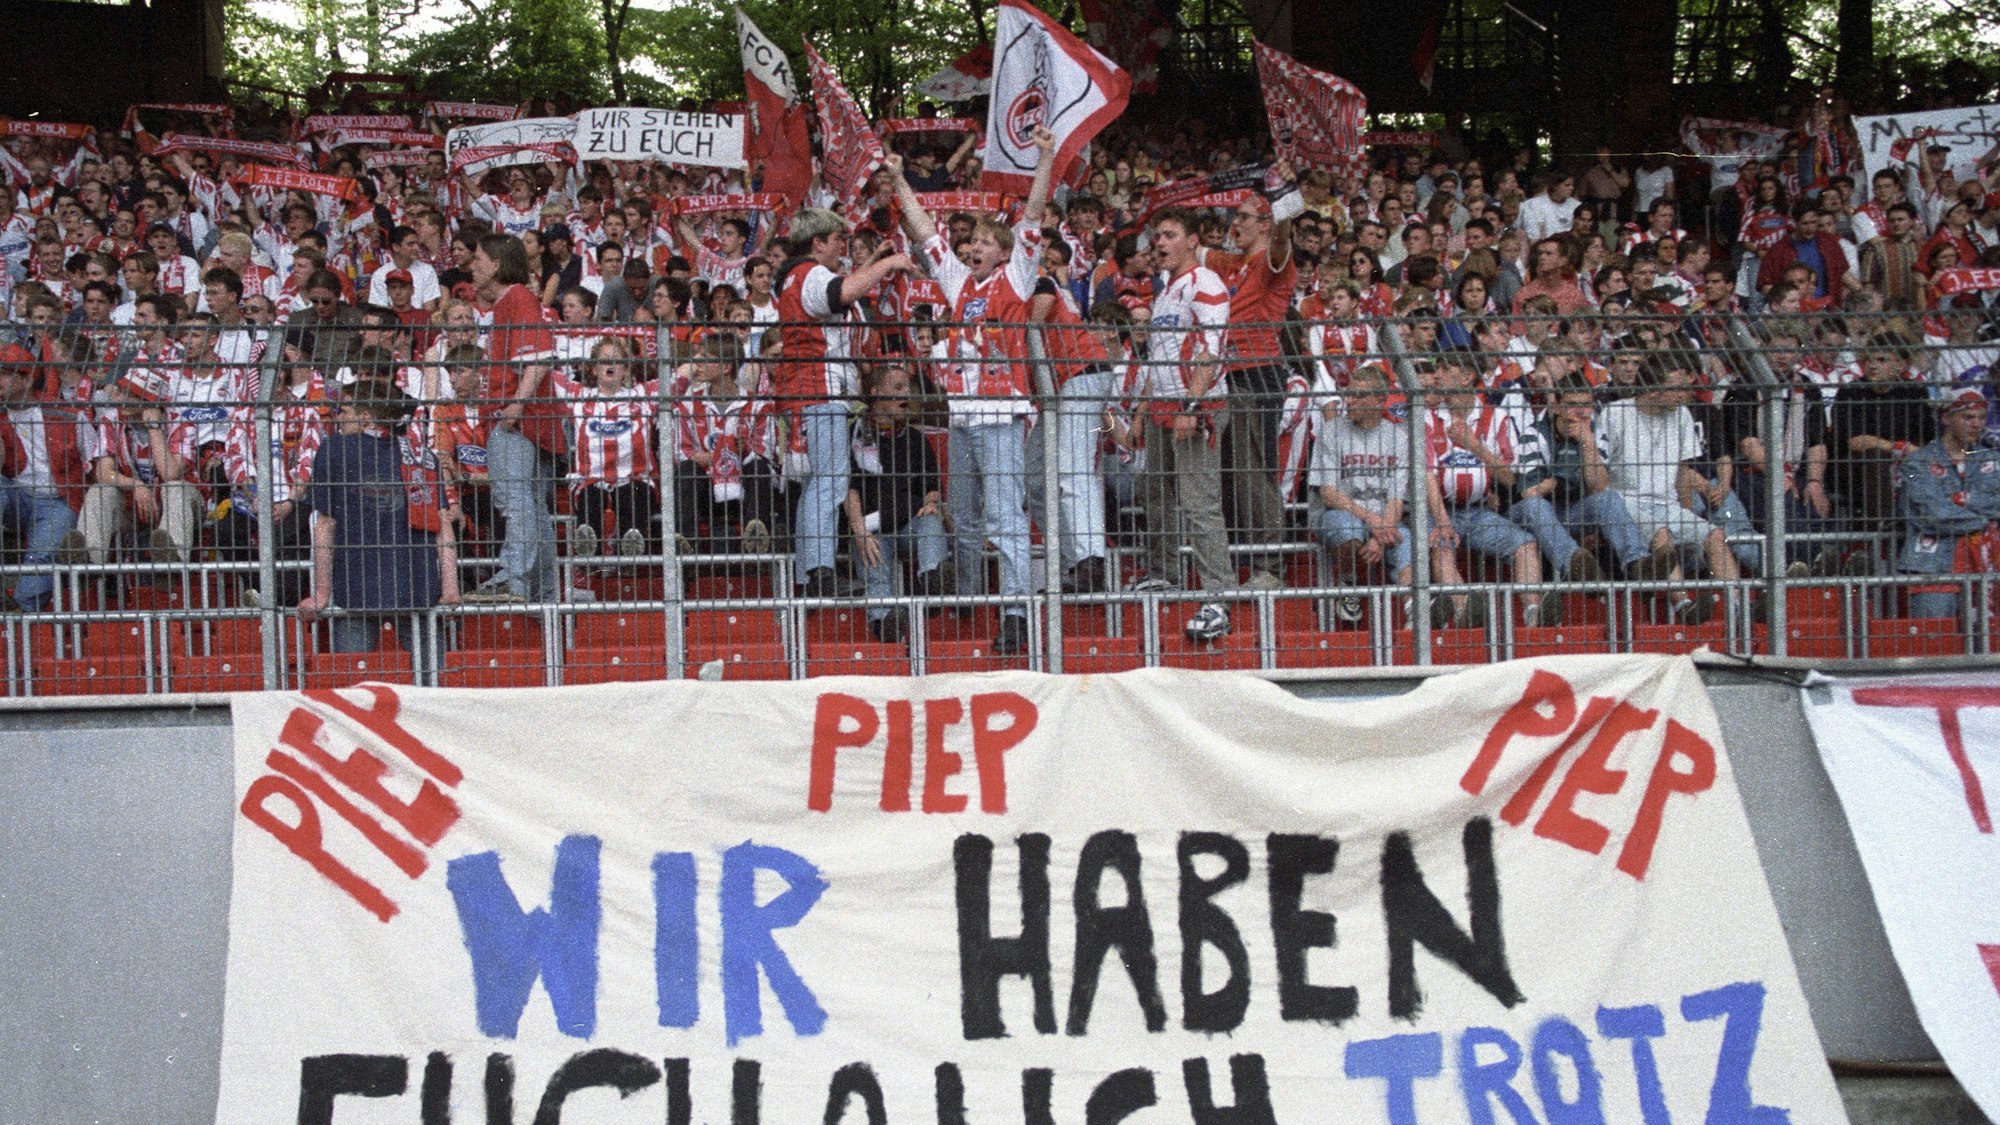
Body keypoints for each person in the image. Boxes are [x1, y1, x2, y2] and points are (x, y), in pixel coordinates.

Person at [773, 204, 912, 598]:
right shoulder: (810, 273)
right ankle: (818, 568)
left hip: (809, 391)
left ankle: (810, 571)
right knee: (830, 482)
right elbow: (840, 292)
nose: (843, 249)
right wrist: (890, 264)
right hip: (822, 389)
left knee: (821, 482)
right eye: (838, 241)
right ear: (817, 243)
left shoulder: (796, 277)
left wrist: (871, 262)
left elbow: (838, 288)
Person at [300, 381, 460, 675]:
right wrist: (450, 587)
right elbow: (443, 527)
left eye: (343, 409)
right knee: (434, 681)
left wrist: (321, 592)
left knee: (352, 685)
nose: (336, 416)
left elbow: (325, 524)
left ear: (365, 417)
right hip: (418, 586)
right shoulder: (421, 455)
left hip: (355, 586)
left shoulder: (333, 450)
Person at [1131, 206, 1239, 642]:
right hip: (1161, 405)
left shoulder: (1205, 283)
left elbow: (1212, 349)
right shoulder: (1166, 288)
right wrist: (1143, 409)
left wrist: (1191, 407)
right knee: (1154, 491)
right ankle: (1166, 574)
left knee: (1199, 501)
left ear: (1193, 240)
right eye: (1158, 235)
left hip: (1197, 407)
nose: (1160, 242)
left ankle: (1218, 595)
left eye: (1170, 234)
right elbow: (1159, 356)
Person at [1598, 352, 1742, 622]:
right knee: (1661, 535)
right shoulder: (1614, 413)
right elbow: (1600, 471)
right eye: (1676, 388)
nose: (1683, 394)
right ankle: (1684, 605)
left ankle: (1737, 607)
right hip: (1626, 502)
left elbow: (1682, 472)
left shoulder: (1682, 415)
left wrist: (1687, 514)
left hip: (1669, 504)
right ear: (1653, 390)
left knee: (1714, 535)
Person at [1218, 162, 1302, 591]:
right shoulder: (1236, 266)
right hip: (1230, 373)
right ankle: (1242, 560)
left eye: (1245, 217)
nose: (1236, 224)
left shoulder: (1273, 260)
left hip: (1258, 372)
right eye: (1235, 217)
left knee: (1254, 470)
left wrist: (1283, 197)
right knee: (1232, 471)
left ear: (1265, 223)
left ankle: (1271, 565)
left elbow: (1285, 240)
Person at [468, 233, 560, 603]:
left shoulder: (517, 297)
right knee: (532, 505)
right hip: (531, 420)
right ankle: (542, 592)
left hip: (517, 420)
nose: (471, 266)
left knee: (515, 500)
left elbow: (538, 358)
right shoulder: (514, 301)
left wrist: (516, 405)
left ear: (496, 263)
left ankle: (514, 578)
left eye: (477, 259)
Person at [844, 364, 947, 643]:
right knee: (874, 562)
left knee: (930, 522)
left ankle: (932, 586)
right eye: (898, 388)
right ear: (876, 393)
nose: (907, 395)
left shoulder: (915, 438)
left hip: (906, 526)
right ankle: (885, 623)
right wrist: (860, 532)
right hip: (871, 528)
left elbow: (931, 488)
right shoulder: (854, 433)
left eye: (908, 389)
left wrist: (931, 504)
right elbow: (848, 490)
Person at [1310, 364, 1413, 624]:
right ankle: (1349, 585)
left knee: (1404, 536)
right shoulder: (1331, 431)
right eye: (1348, 393)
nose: (1348, 400)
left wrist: (1381, 534)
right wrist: (1372, 520)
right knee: (1347, 528)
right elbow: (1329, 494)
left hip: (1382, 519)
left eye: (1357, 396)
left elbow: (1396, 498)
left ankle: (1414, 609)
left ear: (1379, 400)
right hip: (1339, 513)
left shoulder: (1398, 437)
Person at [0, 344, 88, 611]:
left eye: (4, 374)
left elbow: (93, 463)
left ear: (26, 379)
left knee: (44, 552)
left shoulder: (67, 414)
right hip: (14, 494)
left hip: (58, 500)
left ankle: (19, 611)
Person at [1899, 391, 2000, 619]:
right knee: (1933, 644)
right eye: (1968, 417)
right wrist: (1983, 520)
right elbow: (1932, 516)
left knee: (1987, 646)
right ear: (1946, 418)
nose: (1976, 424)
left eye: (1981, 418)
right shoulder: (1917, 462)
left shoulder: (1992, 459)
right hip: (1933, 565)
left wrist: (1957, 501)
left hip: (1986, 565)